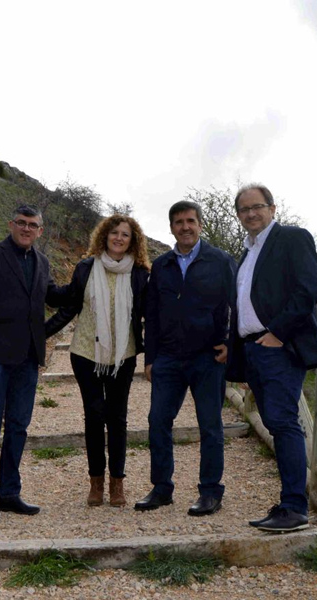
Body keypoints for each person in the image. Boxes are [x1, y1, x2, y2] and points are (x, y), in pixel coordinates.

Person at [226, 183, 317, 532]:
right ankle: (289, 503)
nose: (251, 213)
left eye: (258, 206)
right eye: (244, 209)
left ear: (272, 208)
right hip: (254, 349)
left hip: (279, 348)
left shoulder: (292, 238)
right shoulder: (247, 253)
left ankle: (294, 508)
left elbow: (310, 288)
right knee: (276, 422)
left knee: (283, 423)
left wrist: (278, 333)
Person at [0, 205, 65, 523]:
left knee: (18, 428)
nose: (26, 228)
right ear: (11, 225)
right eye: (21, 223)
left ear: (40, 231)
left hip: (27, 359)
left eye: (33, 225)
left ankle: (9, 494)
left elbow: (53, 297)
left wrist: (85, 281)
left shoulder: (42, 262)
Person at [134, 201, 236, 516]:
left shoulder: (220, 260)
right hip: (168, 358)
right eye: (178, 222)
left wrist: (230, 343)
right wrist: (150, 357)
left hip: (208, 358)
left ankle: (210, 492)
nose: (185, 227)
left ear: (200, 224)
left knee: (210, 425)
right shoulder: (161, 265)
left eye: (190, 220)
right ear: (171, 228)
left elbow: (238, 304)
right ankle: (161, 488)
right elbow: (152, 314)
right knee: (158, 421)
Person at [46, 215, 151, 508]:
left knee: (117, 418)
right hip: (85, 353)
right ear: (104, 236)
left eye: (125, 234)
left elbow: (152, 315)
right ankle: (96, 482)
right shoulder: (86, 267)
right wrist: (40, 333)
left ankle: (117, 483)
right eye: (114, 232)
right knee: (93, 416)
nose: (119, 238)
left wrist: (155, 354)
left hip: (123, 356)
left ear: (133, 241)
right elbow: (69, 305)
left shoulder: (140, 274)